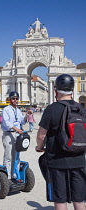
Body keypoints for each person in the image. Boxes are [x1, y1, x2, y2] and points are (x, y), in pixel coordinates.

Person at [35, 74, 86, 210]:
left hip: (57, 161)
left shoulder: (51, 109)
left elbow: (41, 135)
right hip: (79, 159)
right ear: (73, 90)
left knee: (60, 201)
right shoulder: (82, 109)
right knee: (79, 200)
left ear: (55, 90)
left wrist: (40, 147)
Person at [1, 91, 28, 180]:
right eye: (13, 98)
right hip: (9, 134)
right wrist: (17, 129)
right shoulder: (6, 109)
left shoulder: (18, 110)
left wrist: (27, 116)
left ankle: (14, 173)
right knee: (8, 155)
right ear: (9, 99)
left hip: (17, 134)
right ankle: (7, 176)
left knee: (16, 155)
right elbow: (6, 123)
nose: (15, 100)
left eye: (16, 99)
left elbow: (22, 121)